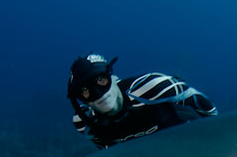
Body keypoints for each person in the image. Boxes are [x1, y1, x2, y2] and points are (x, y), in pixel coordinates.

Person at [66, 54, 217, 148]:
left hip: (187, 138)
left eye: (101, 80)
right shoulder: (84, 120)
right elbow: (107, 152)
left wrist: (217, 133)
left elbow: (198, 100)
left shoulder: (150, 87)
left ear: (111, 76)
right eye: (86, 91)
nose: (98, 94)